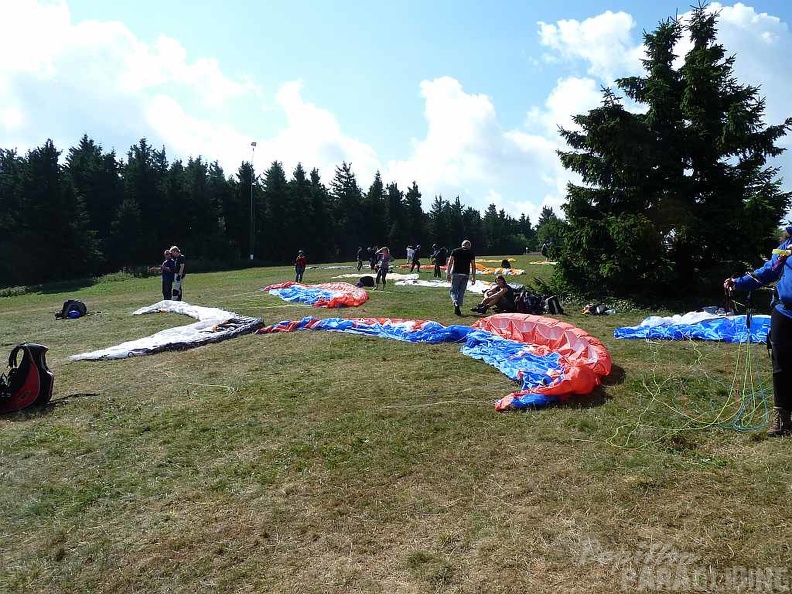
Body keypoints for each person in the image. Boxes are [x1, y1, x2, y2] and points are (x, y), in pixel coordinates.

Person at [724, 224, 792, 436]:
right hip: (783, 312)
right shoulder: (788, 246)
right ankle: (782, 419)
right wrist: (739, 283)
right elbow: (769, 271)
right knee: (780, 365)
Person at [446, 239, 476, 316]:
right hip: (465, 274)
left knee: (453, 290)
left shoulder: (455, 251)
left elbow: (450, 262)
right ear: (469, 245)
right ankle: (458, 305)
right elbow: (473, 266)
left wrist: (448, 273)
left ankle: (455, 302)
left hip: (456, 273)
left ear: (462, 244)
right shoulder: (471, 253)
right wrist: (473, 277)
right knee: (461, 291)